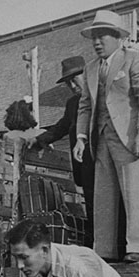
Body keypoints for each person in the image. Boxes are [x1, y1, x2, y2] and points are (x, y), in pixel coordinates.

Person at [74, 10, 139, 263]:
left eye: (103, 36)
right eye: (94, 37)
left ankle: (138, 248)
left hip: (129, 137)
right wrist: (80, 137)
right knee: (103, 196)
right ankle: (104, 250)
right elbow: (85, 105)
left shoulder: (134, 60)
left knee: (134, 192)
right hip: (101, 139)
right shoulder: (90, 69)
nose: (97, 42)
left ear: (118, 37)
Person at [31, 56, 96, 247]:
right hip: (85, 165)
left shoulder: (100, 97)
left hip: (102, 161)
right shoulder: (73, 104)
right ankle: (95, 246)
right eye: (68, 83)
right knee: (91, 205)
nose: (72, 86)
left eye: (75, 79)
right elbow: (60, 128)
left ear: (87, 75)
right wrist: (39, 139)